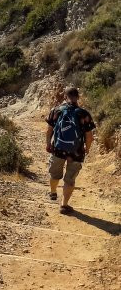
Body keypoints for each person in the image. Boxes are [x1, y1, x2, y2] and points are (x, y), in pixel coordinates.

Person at [46, 86, 96, 215]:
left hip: (58, 149)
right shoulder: (84, 114)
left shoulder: (56, 110)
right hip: (76, 151)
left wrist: (48, 144)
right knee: (70, 179)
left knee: (54, 174)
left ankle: (53, 192)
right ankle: (64, 205)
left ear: (65, 96)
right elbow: (89, 136)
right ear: (78, 97)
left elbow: (49, 130)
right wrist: (87, 148)